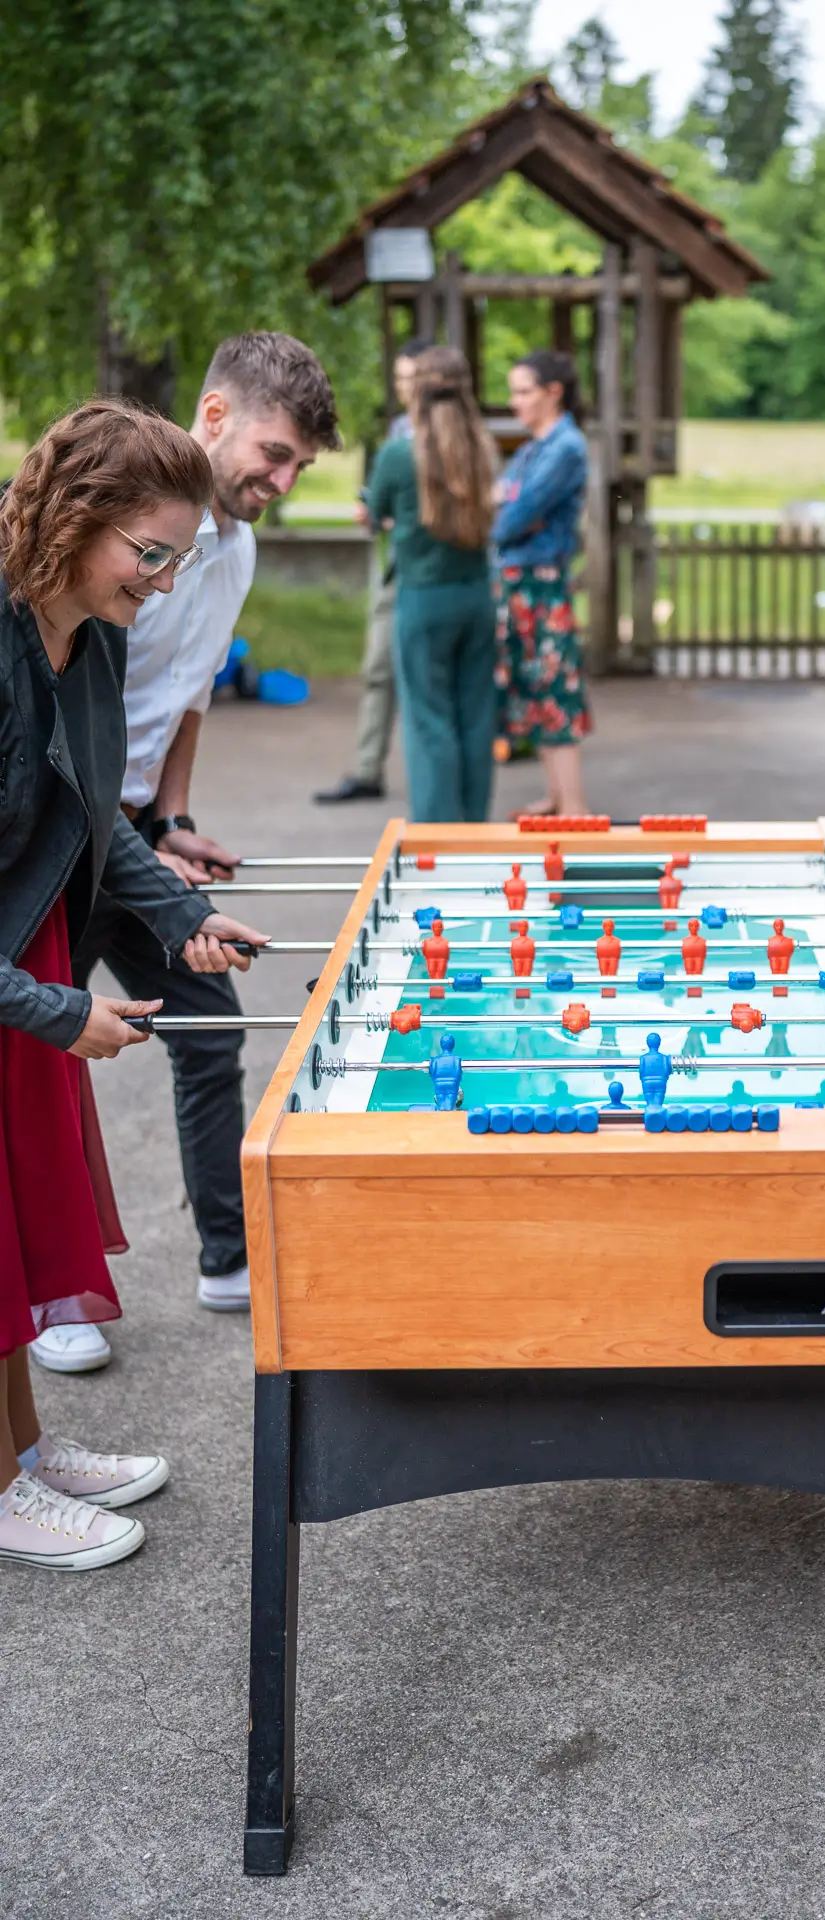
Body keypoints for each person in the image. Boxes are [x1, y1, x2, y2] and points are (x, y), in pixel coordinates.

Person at [0, 399, 266, 1570]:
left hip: (24, 947)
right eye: (146, 553)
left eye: (174, 557)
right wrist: (61, 1012)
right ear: (71, 516)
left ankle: (22, 1455)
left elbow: (95, 809)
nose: (161, 582)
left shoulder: (89, 633)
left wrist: (186, 912)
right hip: (12, 972)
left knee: (17, 1233)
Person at [36, 335, 335, 1374]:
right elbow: (77, 707)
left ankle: (225, 1255)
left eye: (301, 466)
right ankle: (56, 1292)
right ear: (213, 415)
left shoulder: (233, 552)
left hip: (130, 836)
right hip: (50, 833)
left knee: (209, 1030)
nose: (283, 479)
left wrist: (170, 818)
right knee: (45, 1048)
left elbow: (189, 694)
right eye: (275, 449)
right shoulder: (111, 548)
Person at [364, 346, 496, 822]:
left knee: (428, 720)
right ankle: (475, 824)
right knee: (476, 716)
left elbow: (373, 513)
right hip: (478, 596)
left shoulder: (399, 454)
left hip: (423, 599)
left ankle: (441, 833)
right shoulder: (483, 449)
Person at [314, 338, 429, 805]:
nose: (404, 389)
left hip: (431, 573)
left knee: (422, 677)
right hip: (395, 566)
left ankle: (431, 781)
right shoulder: (401, 429)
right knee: (378, 669)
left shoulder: (452, 435)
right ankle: (367, 770)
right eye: (400, 379)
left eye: (411, 379)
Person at [493, 348, 592, 817]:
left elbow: (511, 516)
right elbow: (502, 502)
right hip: (521, 582)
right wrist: (507, 509)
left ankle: (573, 808)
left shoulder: (566, 447)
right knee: (536, 691)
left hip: (542, 582)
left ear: (554, 393)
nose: (515, 403)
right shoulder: (534, 447)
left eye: (523, 392)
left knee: (554, 691)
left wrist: (508, 511)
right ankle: (556, 798)